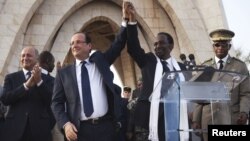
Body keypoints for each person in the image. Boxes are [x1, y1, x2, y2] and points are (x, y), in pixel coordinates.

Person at [51, 2, 133, 141]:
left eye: (78, 42)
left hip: (106, 128)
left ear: (89, 46)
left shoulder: (100, 61)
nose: (74, 46)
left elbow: (117, 45)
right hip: (79, 131)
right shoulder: (63, 74)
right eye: (71, 43)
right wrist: (65, 124)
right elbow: (56, 103)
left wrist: (125, 21)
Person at [125, 2, 188, 141]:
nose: (157, 46)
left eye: (161, 43)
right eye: (155, 44)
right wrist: (132, 21)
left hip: (174, 119)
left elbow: (187, 93)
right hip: (149, 119)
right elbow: (133, 47)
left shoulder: (181, 68)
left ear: (171, 46)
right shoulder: (148, 61)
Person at [191, 29, 250, 141]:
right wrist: (196, 120)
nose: (220, 48)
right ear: (213, 46)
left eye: (224, 45)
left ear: (229, 46)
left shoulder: (239, 66)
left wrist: (244, 112)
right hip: (208, 119)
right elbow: (200, 96)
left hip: (231, 118)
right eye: (217, 45)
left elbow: (246, 93)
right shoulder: (205, 66)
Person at [0, 47, 54, 141]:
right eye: (23, 56)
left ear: (37, 59)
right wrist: (25, 86)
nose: (25, 58)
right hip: (13, 131)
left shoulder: (49, 80)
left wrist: (39, 82)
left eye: (29, 55)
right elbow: (5, 99)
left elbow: (52, 101)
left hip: (40, 132)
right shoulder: (11, 78)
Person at [38, 51, 65, 141]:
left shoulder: (24, 76)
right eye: (52, 63)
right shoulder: (53, 81)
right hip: (45, 127)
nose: (53, 66)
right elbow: (55, 100)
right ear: (47, 61)